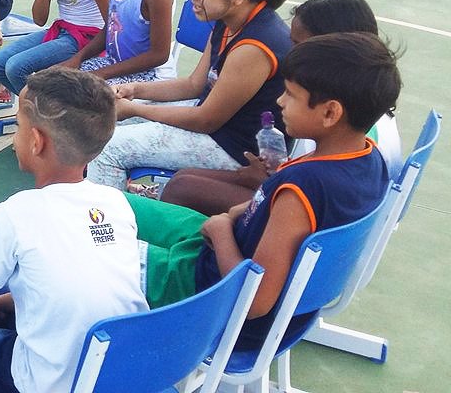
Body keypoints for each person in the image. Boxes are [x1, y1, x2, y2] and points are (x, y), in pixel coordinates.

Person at [129, 32, 399, 351]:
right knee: (109, 205)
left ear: (330, 113)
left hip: (202, 291)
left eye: (291, 95)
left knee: (83, 244)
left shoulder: (304, 188)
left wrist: (221, 230)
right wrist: (234, 217)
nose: (280, 102)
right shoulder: (369, 158)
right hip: (216, 250)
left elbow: (254, 301)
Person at [0, 68, 146, 393]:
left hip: (46, 384)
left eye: (18, 126)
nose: (16, 136)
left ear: (37, 142)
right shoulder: (116, 203)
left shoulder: (14, 214)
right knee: (10, 292)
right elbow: (81, 281)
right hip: (119, 372)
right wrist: (8, 302)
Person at [86, 0, 296, 190]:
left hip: (237, 151)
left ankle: (107, 224)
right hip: (217, 128)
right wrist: (134, 91)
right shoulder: (228, 21)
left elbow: (206, 120)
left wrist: (136, 109)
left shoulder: (254, 46)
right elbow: (194, 84)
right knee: (108, 118)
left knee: (107, 146)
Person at [160, 0, 402, 214]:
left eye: (297, 45)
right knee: (183, 181)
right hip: (307, 196)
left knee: (183, 188)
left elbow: (308, 193)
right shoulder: (367, 102)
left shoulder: (342, 126)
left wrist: (263, 187)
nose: (290, 52)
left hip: (302, 208)